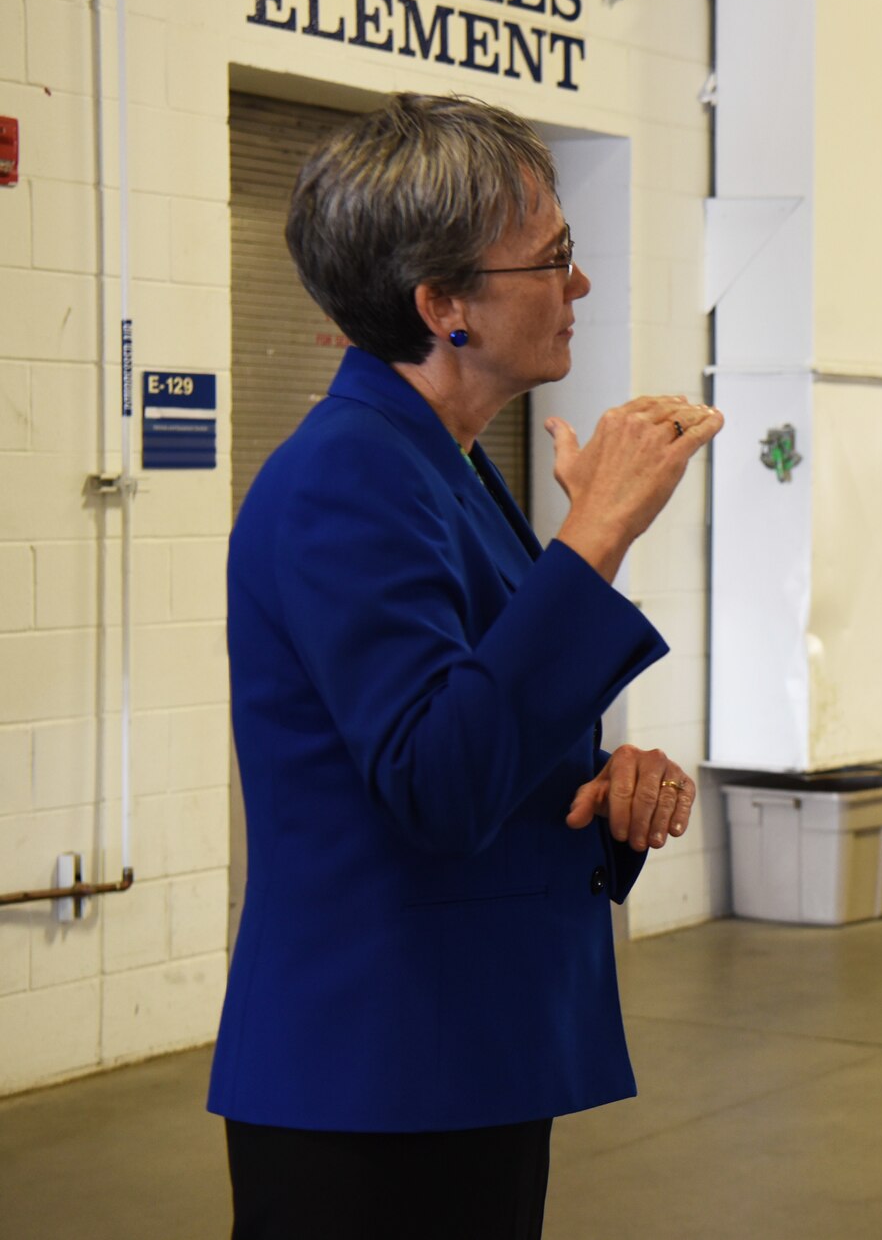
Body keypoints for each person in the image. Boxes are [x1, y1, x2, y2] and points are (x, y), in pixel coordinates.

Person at [208, 92, 722, 1239]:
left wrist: (605, 782)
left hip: (453, 1051)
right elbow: (437, 781)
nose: (578, 286)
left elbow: (486, 720)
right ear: (444, 307)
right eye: (553, 258)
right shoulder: (349, 477)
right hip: (374, 1076)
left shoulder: (440, 464)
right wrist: (597, 536)